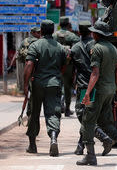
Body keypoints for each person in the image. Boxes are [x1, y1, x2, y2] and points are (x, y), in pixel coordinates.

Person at [77, 21, 117, 166]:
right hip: (110, 89)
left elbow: (95, 73)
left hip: (98, 90)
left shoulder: (96, 49)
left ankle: (90, 155)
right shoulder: (113, 48)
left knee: (88, 121)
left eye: (94, 32)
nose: (92, 34)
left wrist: (87, 93)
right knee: (105, 122)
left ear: (97, 34)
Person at [24, 19, 68, 156]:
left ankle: (32, 145)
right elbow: (64, 66)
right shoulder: (60, 47)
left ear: (41, 31)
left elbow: (29, 65)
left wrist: (25, 84)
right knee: (53, 113)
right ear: (53, 30)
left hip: (37, 84)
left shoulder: (35, 45)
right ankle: (53, 139)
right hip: (54, 84)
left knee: (34, 113)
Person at [70, 21, 112, 157]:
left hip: (84, 87)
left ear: (79, 32)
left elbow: (71, 68)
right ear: (90, 31)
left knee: (83, 116)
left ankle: (103, 137)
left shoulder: (75, 48)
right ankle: (80, 145)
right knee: (88, 116)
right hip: (98, 85)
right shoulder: (97, 45)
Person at [53, 16, 80, 116]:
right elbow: (78, 47)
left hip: (56, 65)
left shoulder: (54, 35)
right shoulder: (72, 36)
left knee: (56, 85)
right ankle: (67, 109)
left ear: (59, 25)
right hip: (68, 65)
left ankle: (57, 107)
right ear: (68, 25)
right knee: (67, 87)